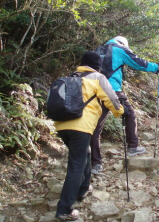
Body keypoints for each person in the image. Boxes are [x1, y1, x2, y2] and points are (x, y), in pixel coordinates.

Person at [54, 51, 124, 221]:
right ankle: (64, 209)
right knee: (76, 164)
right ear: (98, 65)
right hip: (81, 126)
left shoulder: (71, 77)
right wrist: (121, 111)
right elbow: (111, 100)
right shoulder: (97, 78)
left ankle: (83, 189)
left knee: (83, 155)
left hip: (62, 125)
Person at [91, 36, 159, 174]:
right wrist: (157, 67)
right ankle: (132, 146)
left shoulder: (98, 49)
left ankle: (96, 163)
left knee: (96, 127)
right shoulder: (119, 49)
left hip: (95, 90)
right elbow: (138, 63)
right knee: (130, 115)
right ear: (123, 43)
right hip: (113, 90)